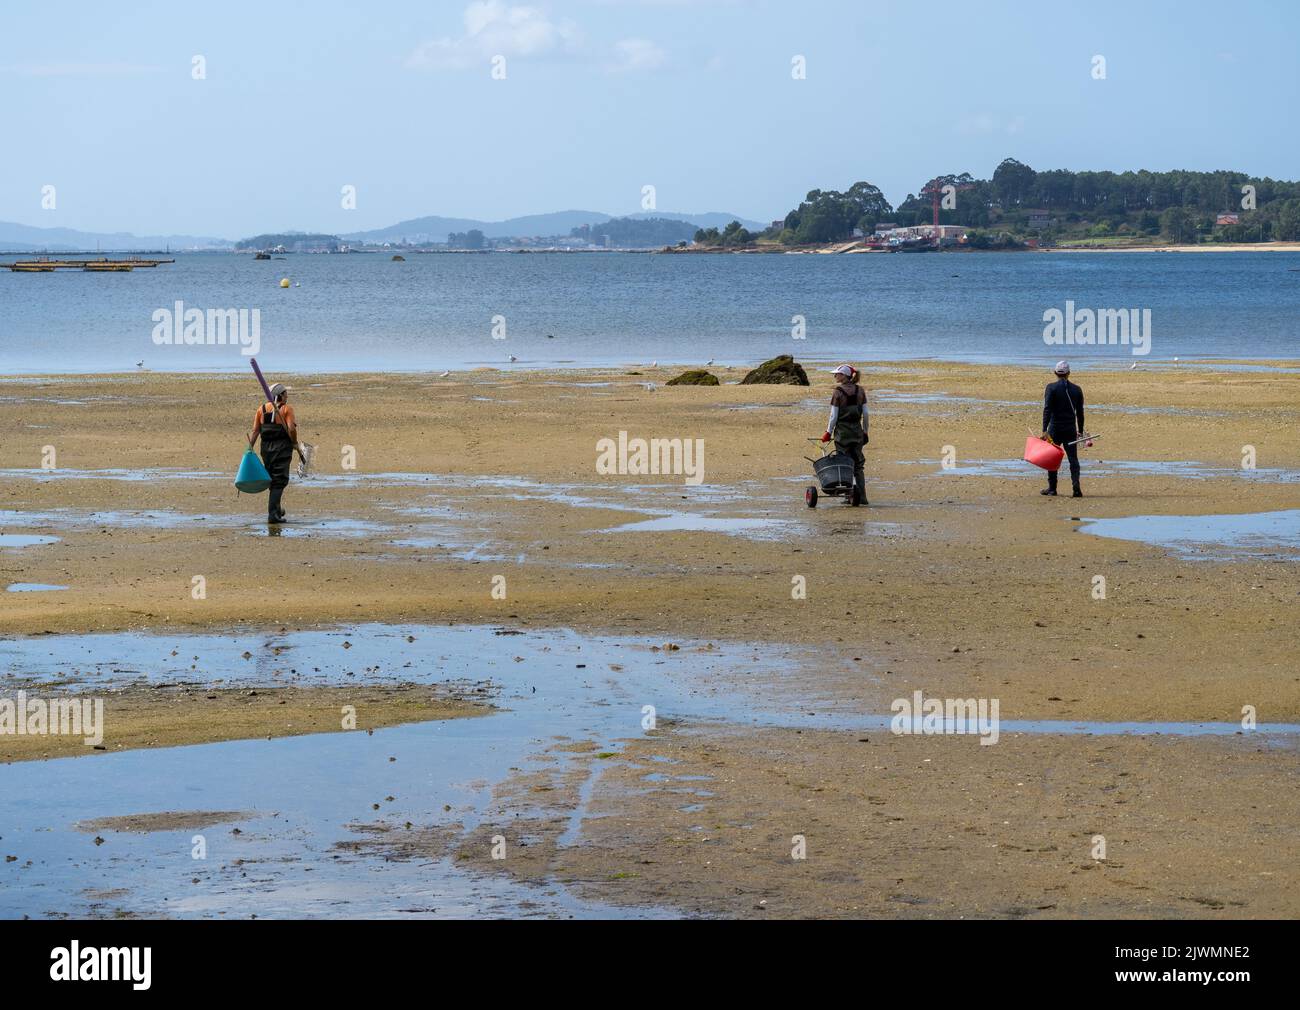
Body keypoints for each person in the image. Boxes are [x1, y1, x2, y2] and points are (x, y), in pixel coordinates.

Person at [249, 382, 301, 523]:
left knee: (272, 479)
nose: (287, 396)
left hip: (266, 449)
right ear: (280, 395)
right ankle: (273, 515)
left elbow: (255, 431)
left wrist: (250, 447)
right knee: (279, 481)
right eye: (285, 394)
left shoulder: (261, 409)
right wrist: (295, 442)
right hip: (282, 448)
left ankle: (277, 510)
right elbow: (291, 429)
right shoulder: (286, 410)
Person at [821, 364, 869, 506]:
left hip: (842, 433)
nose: (835, 376)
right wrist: (865, 431)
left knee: (844, 464)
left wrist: (828, 432)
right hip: (857, 431)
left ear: (844, 375)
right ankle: (863, 497)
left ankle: (850, 496)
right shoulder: (860, 391)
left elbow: (833, 416)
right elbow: (865, 414)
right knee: (858, 465)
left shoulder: (838, 392)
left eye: (837, 374)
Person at [1041, 360, 1085, 498]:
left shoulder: (1051, 388)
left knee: (1052, 458)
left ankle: (1052, 488)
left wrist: (1044, 429)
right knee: (1073, 458)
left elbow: (1047, 409)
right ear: (1069, 373)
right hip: (1070, 429)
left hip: (1054, 429)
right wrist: (1081, 431)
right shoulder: (1076, 389)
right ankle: (1076, 486)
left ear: (1055, 373)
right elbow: (1080, 413)